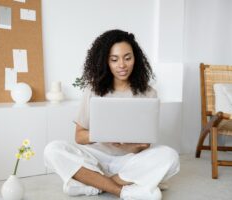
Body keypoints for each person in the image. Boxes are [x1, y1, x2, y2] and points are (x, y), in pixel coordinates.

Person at [44, 29, 180, 200]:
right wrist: (104, 136)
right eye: (114, 59)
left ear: (135, 59)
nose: (121, 65)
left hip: (129, 160)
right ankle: (123, 190)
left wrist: (128, 146)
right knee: (53, 149)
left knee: (170, 156)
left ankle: (94, 183)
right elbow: (79, 137)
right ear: (105, 62)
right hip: (95, 158)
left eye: (127, 58)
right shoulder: (93, 90)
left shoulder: (148, 93)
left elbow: (144, 145)